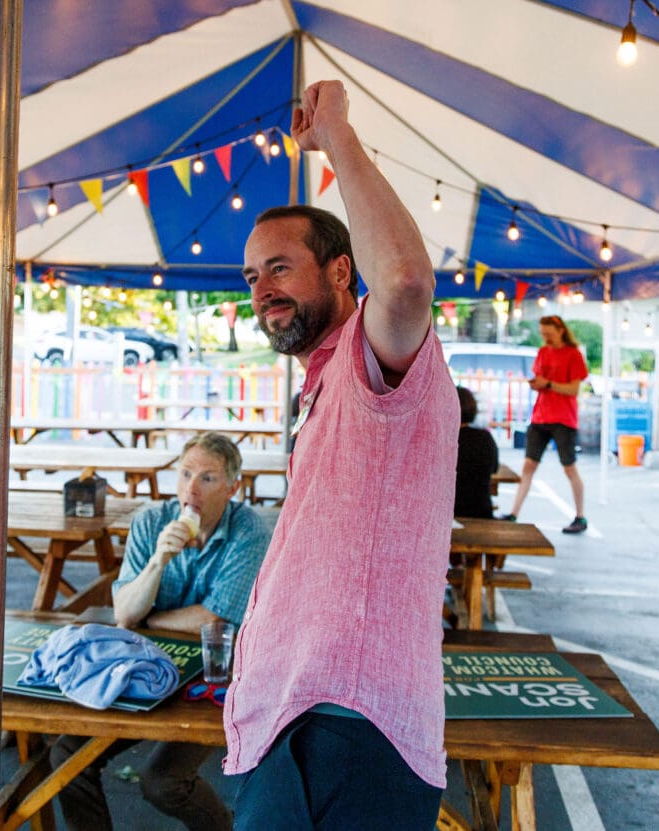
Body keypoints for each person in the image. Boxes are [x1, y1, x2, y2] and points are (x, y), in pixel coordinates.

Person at [223, 80, 456, 829]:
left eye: (280, 267)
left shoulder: (371, 355)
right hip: (300, 716)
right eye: (253, 276)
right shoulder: (325, 381)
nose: (262, 290)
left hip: (350, 727)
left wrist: (338, 139)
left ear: (340, 272)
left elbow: (409, 281)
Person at [52, 433, 269, 830]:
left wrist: (150, 619)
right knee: (66, 756)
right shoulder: (152, 522)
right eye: (185, 473)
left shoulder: (249, 531)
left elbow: (216, 620)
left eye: (207, 478)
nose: (191, 487)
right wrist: (157, 562)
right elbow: (125, 612)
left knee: (162, 782)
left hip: (215, 677)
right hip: (146, 670)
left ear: (233, 487)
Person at [506, 315, 589, 533]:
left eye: (549, 334)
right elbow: (540, 379)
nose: (546, 338)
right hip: (540, 416)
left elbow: (573, 389)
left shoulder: (573, 355)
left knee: (569, 467)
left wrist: (549, 384)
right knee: (529, 465)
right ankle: (514, 512)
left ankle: (580, 516)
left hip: (564, 418)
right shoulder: (543, 352)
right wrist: (539, 384)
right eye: (543, 334)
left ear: (560, 330)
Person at [454, 387, 499, 519]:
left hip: (448, 515)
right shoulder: (485, 438)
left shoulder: (443, 440)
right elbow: (494, 469)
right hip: (482, 512)